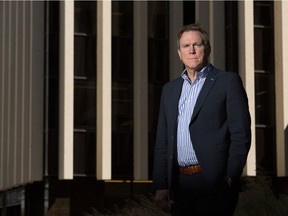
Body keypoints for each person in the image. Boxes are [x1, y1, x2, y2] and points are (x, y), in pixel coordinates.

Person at [153, 23, 251, 216]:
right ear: (179, 53)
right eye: (185, 46)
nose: (191, 50)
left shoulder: (227, 82)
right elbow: (162, 142)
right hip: (179, 185)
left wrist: (230, 177)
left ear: (207, 48)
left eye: (196, 45)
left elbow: (241, 135)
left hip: (215, 184)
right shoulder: (169, 90)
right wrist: (161, 185)